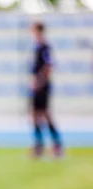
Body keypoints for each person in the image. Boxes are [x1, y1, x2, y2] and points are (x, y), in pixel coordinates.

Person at [30, 21, 64, 159]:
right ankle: (39, 145)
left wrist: (39, 82)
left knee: (45, 114)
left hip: (42, 86)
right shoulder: (38, 47)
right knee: (35, 115)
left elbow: (49, 66)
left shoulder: (45, 47)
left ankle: (57, 144)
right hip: (38, 86)